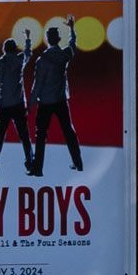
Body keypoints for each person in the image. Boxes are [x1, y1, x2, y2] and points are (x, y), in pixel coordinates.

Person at [29, 26, 82, 175]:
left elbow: (37, 84)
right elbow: (72, 44)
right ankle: (78, 163)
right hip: (60, 100)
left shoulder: (42, 60)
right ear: (58, 39)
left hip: (45, 102)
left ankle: (37, 169)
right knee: (69, 132)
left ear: (47, 40)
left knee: (40, 135)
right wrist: (72, 29)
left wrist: (31, 102)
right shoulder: (64, 55)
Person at [0, 35, 34, 176]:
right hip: (18, 103)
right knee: (24, 135)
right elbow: (28, 53)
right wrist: (27, 39)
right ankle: (30, 161)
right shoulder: (20, 60)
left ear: (4, 49)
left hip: (4, 104)